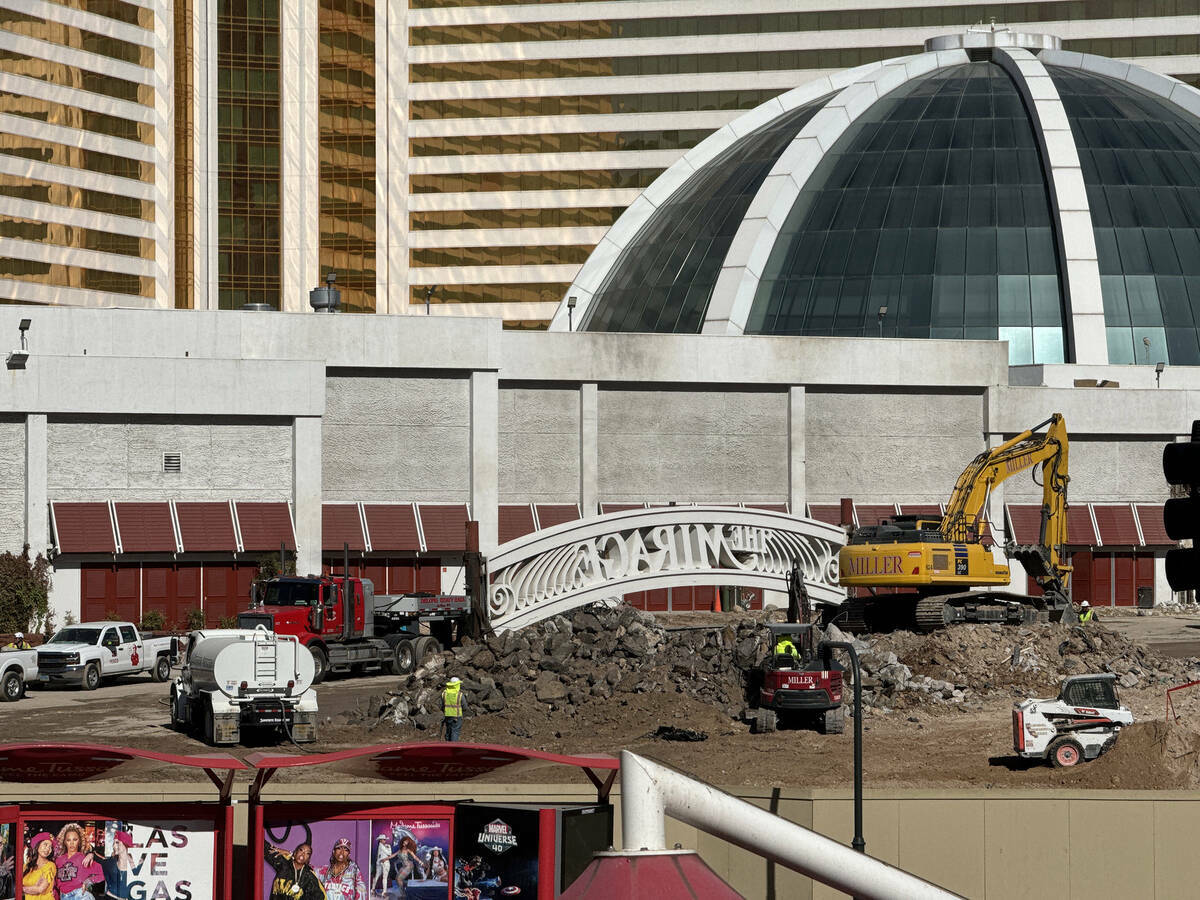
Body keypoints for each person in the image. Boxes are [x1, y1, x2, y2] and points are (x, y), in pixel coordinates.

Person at [54, 823, 103, 900]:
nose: (72, 843)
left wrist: (88, 881)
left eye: (75, 839)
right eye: (68, 840)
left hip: (80, 895)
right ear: (64, 842)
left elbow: (103, 873)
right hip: (63, 896)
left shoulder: (83, 858)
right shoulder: (58, 860)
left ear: (79, 841)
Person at [94, 830, 138, 900]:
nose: (114, 846)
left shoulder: (135, 864)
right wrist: (91, 854)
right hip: (110, 897)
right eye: (114, 843)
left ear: (126, 844)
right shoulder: (111, 862)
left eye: (117, 843)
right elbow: (99, 860)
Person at [21, 832, 56, 900]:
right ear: (38, 845)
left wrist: (21, 889)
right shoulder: (27, 866)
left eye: (50, 847)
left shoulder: (50, 866)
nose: (48, 849)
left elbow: (40, 889)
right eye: (45, 844)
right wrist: (31, 888)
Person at [442, 676, 465, 742]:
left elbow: (442, 705)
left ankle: (447, 746)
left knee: (448, 731)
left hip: (447, 716)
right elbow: (464, 706)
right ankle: (453, 748)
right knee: (455, 732)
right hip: (457, 717)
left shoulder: (444, 693)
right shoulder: (460, 695)